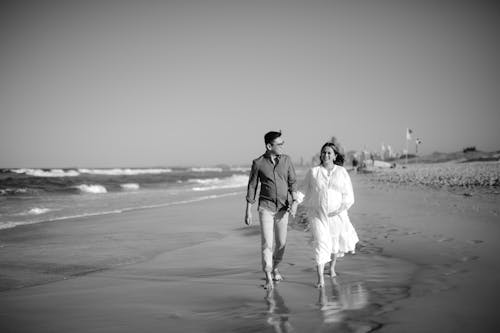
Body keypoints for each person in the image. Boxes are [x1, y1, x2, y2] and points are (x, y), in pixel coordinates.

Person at [298, 142, 358, 288]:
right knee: (321, 242)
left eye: (329, 153)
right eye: (324, 152)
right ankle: (320, 278)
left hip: (337, 215)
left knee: (334, 243)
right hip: (317, 214)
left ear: (335, 156)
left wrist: (341, 209)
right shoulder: (314, 172)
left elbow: (348, 194)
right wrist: (294, 202)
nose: (326, 155)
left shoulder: (341, 172)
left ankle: (331, 268)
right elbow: (302, 190)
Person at [245, 131, 299, 290]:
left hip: (283, 208)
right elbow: (252, 186)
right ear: (269, 146)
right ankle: (268, 276)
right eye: (279, 144)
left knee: (281, 244)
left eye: (283, 143)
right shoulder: (258, 163)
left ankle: (275, 267)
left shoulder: (287, 160)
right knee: (267, 244)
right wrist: (248, 210)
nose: (282, 146)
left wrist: (295, 201)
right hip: (265, 208)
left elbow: (293, 182)